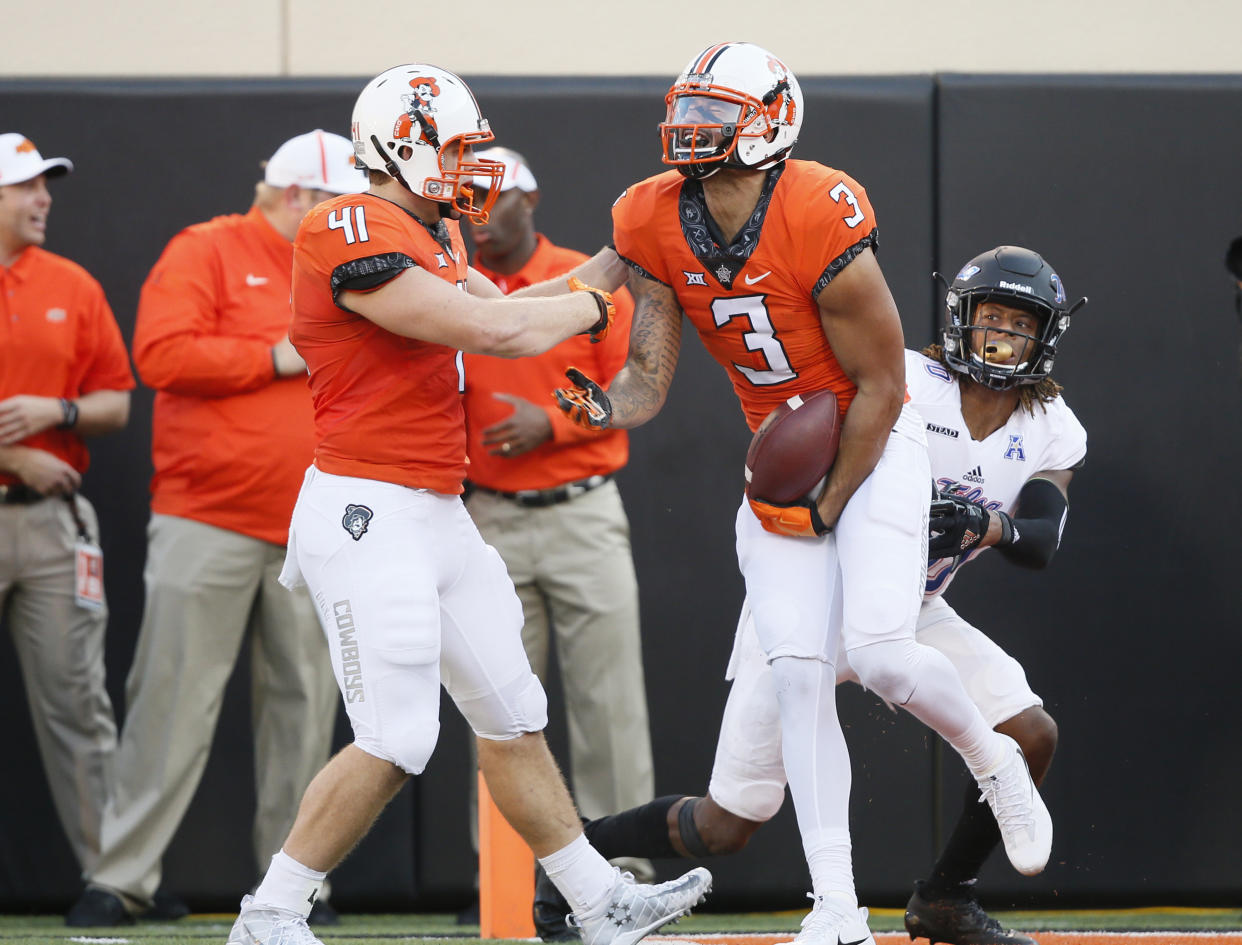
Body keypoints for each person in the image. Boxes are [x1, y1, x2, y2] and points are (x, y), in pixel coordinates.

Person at [553, 43, 1052, 945]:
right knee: (796, 678)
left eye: (713, 115)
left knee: (886, 654)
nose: (690, 129)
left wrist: (825, 505)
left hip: (868, 439)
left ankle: (994, 760)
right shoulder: (653, 214)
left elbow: (883, 386)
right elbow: (648, 373)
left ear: (769, 125)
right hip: (777, 457)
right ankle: (836, 907)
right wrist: (606, 405)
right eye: (689, 110)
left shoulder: (819, 205)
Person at [224, 63, 711, 945]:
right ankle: (271, 913)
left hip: (438, 510)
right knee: (397, 738)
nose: (467, 170)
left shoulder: (431, 227)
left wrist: (630, 244)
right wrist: (604, 303)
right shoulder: (346, 225)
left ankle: (598, 901)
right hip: (367, 511)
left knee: (513, 714)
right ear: (398, 147)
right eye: (453, 150)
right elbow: (493, 332)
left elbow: (521, 305)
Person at [67, 130, 365, 927]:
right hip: (208, 516)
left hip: (313, 522)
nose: (353, 216)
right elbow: (161, 353)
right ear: (298, 195)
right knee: (171, 701)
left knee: (303, 707)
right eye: (341, 200)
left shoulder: (344, 265)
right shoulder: (207, 248)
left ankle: (295, 884)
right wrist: (275, 355)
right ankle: (123, 875)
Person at [462, 147, 655, 888]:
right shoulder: (454, 290)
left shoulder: (586, 278)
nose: (481, 212)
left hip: (582, 512)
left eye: (495, 196)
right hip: (487, 517)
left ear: (530, 198)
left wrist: (553, 421)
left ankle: (626, 865)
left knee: (610, 700)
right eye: (468, 199)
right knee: (496, 702)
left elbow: (634, 385)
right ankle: (504, 880)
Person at [0, 133, 134, 876]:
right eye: (24, 186)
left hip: (51, 525)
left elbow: (115, 400)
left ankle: (110, 879)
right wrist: (12, 454)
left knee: (78, 703)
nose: (43, 197)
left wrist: (57, 411)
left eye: (45, 184)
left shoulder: (73, 285)